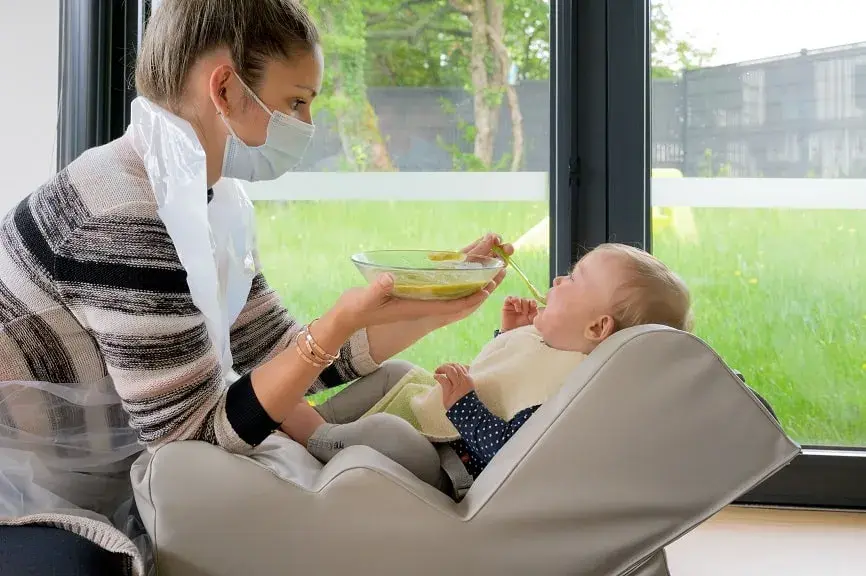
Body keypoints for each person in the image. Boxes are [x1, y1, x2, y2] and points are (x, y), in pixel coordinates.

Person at [0, 1, 511, 573]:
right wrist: (335, 324)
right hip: (18, 492)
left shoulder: (206, 200)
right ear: (224, 88)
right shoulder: (125, 215)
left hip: (80, 468)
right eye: (296, 102)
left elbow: (275, 353)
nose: (308, 126)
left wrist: (433, 297)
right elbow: (192, 438)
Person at [314, 243, 693, 494]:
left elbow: (511, 450)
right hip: (447, 441)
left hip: (450, 469)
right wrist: (510, 336)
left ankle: (314, 433)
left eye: (574, 279)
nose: (558, 280)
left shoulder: (571, 391)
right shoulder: (557, 351)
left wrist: (463, 403)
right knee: (398, 372)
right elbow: (507, 380)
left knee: (391, 433)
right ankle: (314, 415)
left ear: (597, 328)